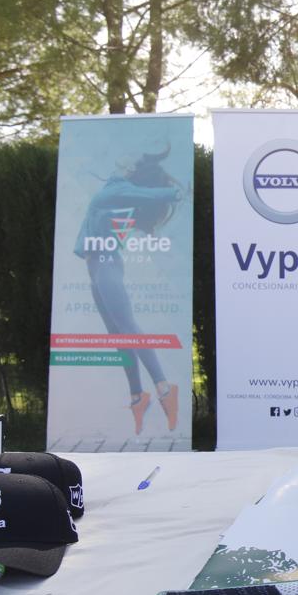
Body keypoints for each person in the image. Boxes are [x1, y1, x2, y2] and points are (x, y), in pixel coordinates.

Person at [74, 145, 183, 436]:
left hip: (107, 266)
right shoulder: (115, 193)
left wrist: (173, 193)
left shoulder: (118, 189)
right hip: (96, 268)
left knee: (128, 329)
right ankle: (137, 394)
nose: (126, 159)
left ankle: (163, 387)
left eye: (132, 160)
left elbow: (150, 195)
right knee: (118, 335)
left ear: (131, 170)